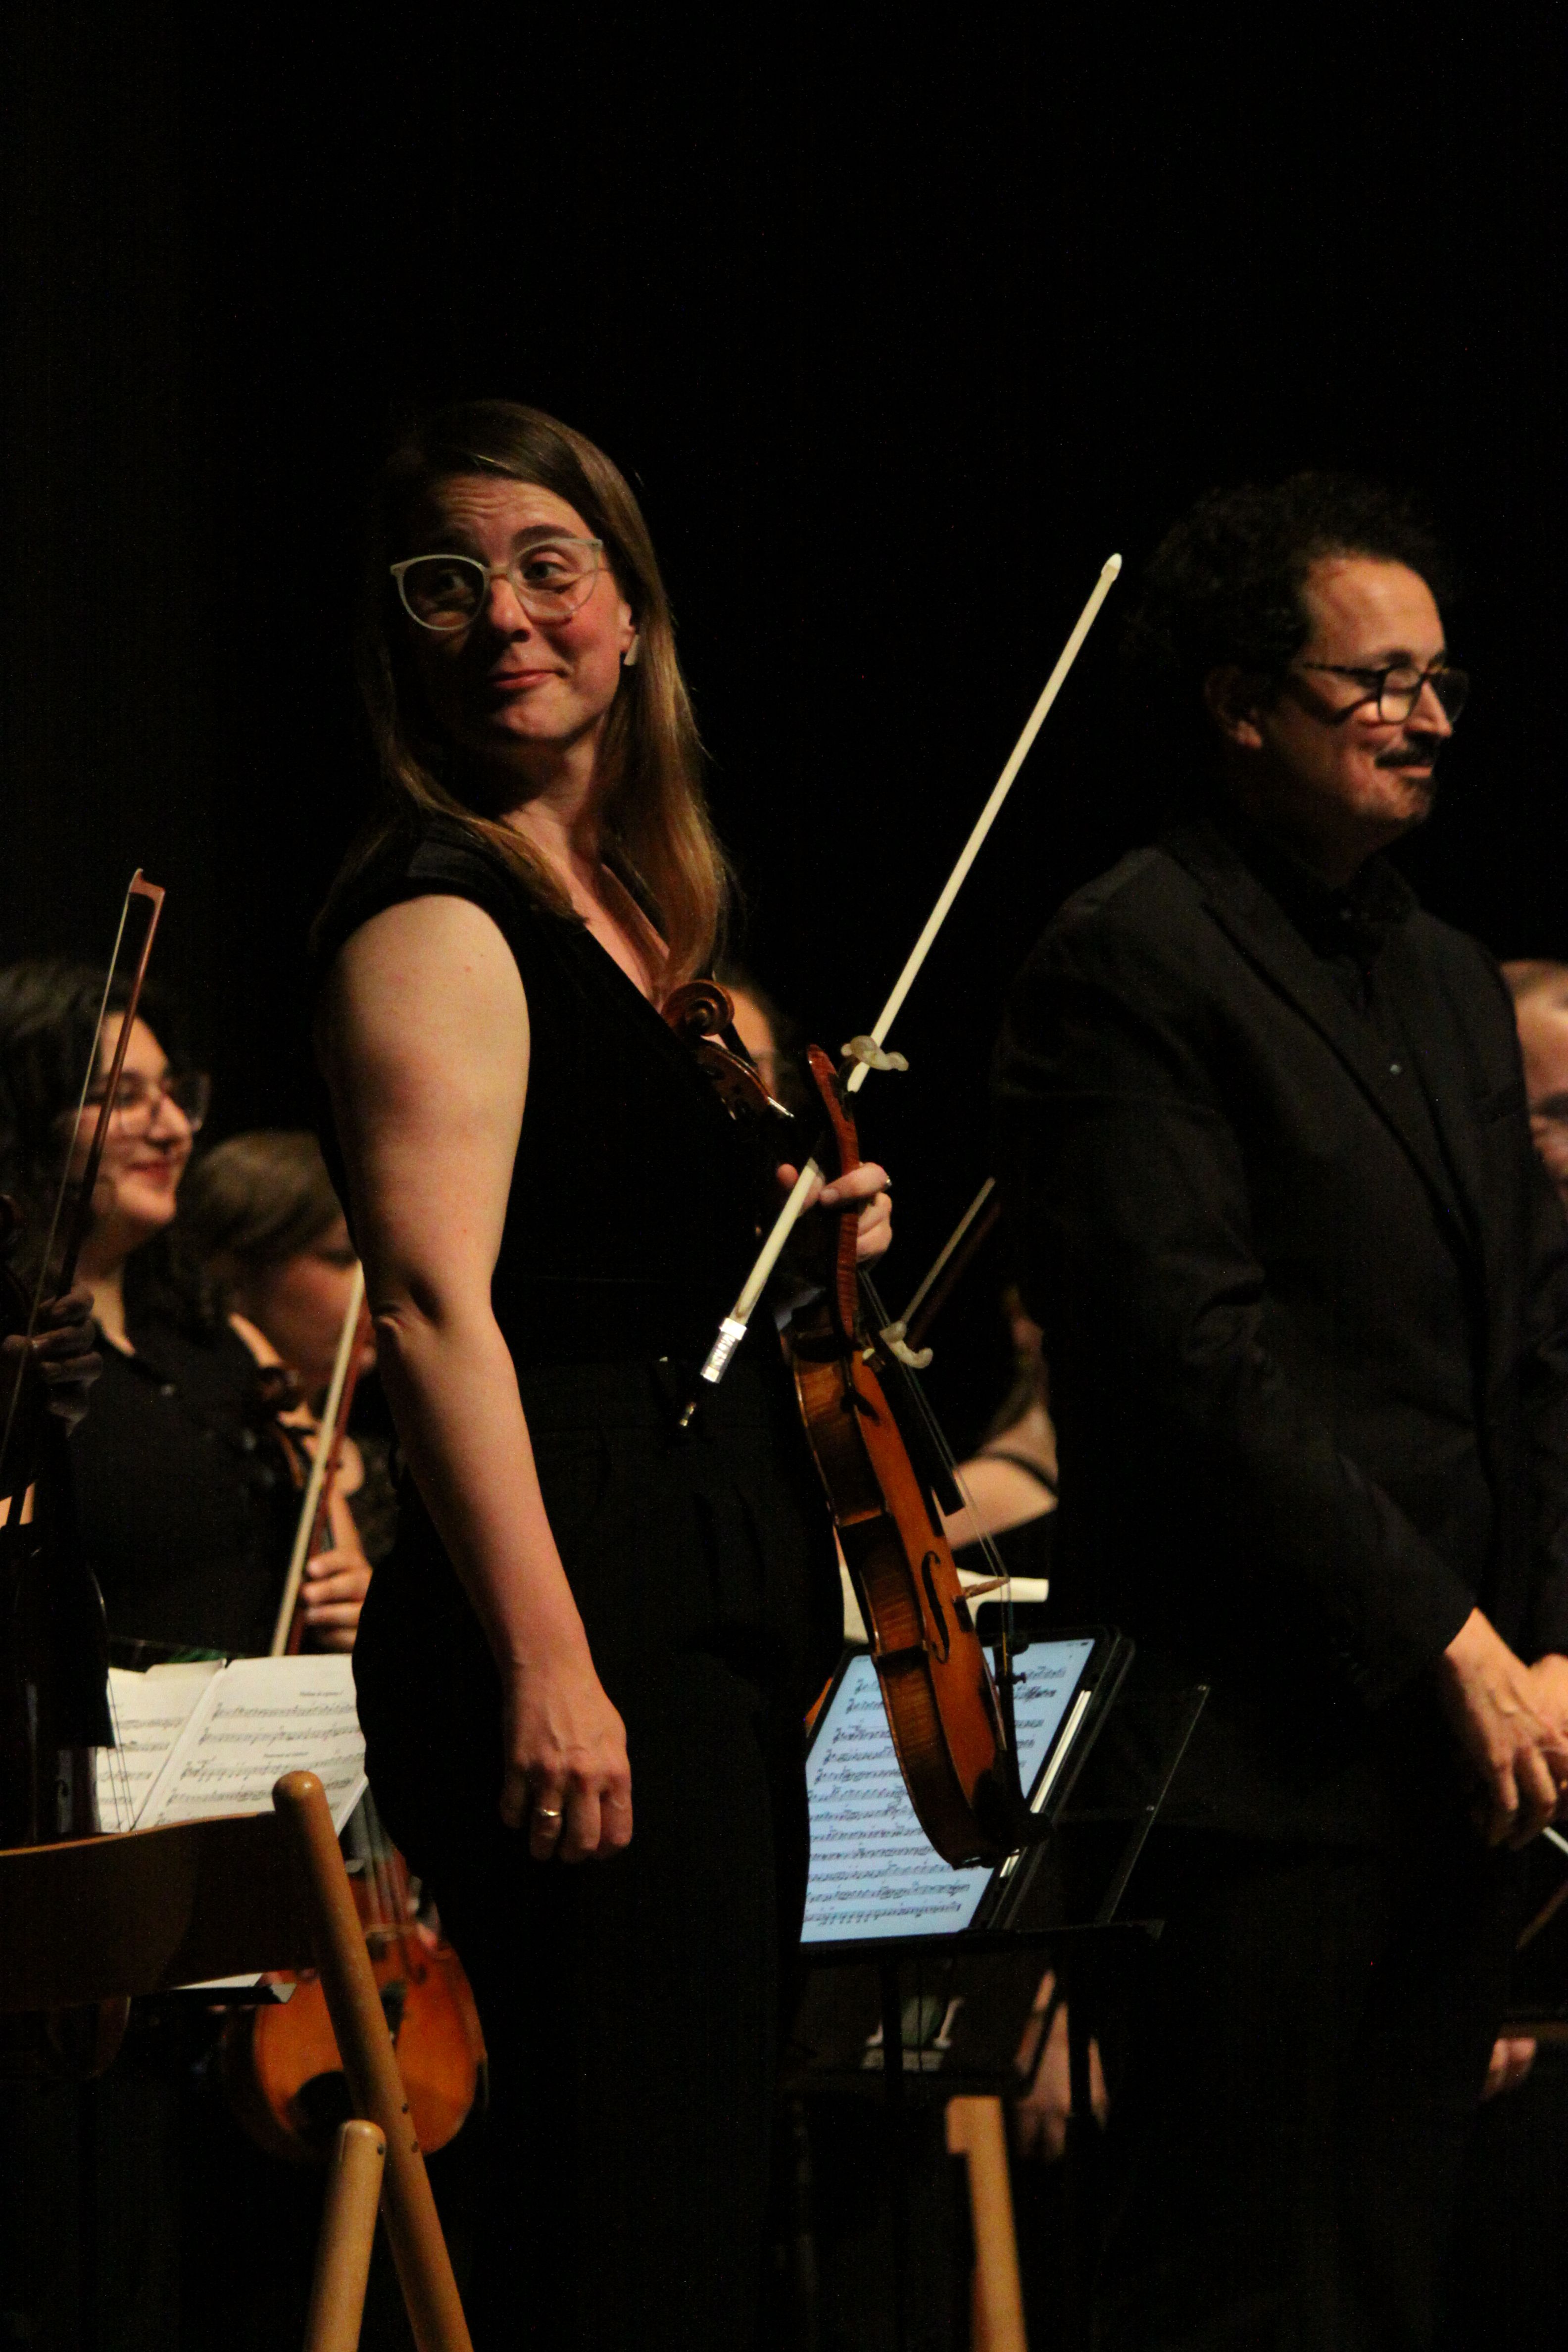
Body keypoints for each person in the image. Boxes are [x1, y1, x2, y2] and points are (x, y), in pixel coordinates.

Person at [311, 398, 889, 2352]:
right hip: (577, 1604)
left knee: (696, 2204)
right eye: (447, 583)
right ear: (406, 641)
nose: (505, 615)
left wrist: (816, 1245)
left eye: (550, 568)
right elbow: (434, 1311)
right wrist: (552, 1661)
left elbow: (672, 1276)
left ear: (631, 617)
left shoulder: (667, 943)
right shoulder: (436, 911)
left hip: (699, 1605)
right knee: (619, 2224)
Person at [994, 473, 1568, 2350]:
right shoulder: (1132, 958)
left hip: (1462, 1750)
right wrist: (1446, 1638)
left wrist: (1542, 1646)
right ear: (1246, 707)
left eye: (1439, 681)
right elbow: (1195, 1357)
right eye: (1374, 684)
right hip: (1251, 1751)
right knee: (1241, 2283)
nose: (1426, 718)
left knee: (1398, 2266)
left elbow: (1528, 1349)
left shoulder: (1455, 984)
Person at [0, 962, 369, 1656]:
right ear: (28, 1119)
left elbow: (329, 1538)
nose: (173, 1129)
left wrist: (358, 1595)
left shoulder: (226, 1339)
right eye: (122, 1097)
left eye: (174, 1095)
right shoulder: (16, 1351)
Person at [180, 1128, 398, 1564]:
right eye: (341, 1257)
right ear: (236, 1270)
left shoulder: (391, 1478)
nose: (371, 1286)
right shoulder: (184, 1449)